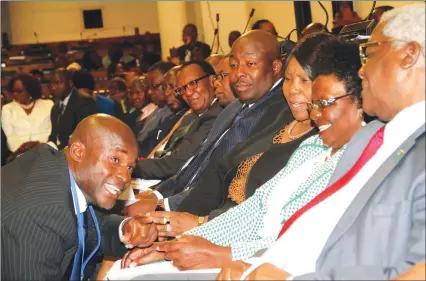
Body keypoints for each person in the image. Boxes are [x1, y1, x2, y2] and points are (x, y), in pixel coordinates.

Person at [120, 34, 365, 272]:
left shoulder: (354, 156)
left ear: (357, 96)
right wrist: (172, 245)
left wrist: (220, 251)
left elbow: (300, 239)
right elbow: (253, 210)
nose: (294, 91)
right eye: (289, 80)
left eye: (324, 100)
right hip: (232, 243)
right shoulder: (308, 147)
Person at [217, 4, 425, 280]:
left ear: (408, 55)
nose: (362, 70)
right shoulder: (370, 138)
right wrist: (257, 266)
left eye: (370, 53)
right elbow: (319, 226)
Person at [172, 34, 332, 226]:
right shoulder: (278, 114)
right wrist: (177, 218)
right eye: (288, 79)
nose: (293, 90)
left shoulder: (322, 141)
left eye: (304, 80)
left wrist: (199, 224)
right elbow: (221, 170)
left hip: (234, 233)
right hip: (213, 220)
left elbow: (265, 211)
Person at [133, 30, 289, 214]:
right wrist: (158, 195)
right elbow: (197, 161)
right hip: (182, 201)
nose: (239, 73)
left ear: (276, 66)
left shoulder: (279, 112)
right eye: (233, 65)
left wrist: (165, 207)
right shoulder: (234, 106)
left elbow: (225, 181)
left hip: (208, 215)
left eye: (250, 64)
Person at [1, 114, 159, 280]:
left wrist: (125, 229)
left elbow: (83, 224)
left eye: (129, 167)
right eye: (115, 159)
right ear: (78, 151)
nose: (125, 178)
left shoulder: (53, 164)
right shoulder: (42, 212)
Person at [130, 61, 223, 182]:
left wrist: (128, 166)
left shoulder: (216, 115)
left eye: (193, 83)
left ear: (212, 80)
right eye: (182, 89)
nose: (188, 93)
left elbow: (175, 163)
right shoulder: (190, 116)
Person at [2, 74, 54, 161]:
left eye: (19, 91)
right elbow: (9, 137)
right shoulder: (7, 109)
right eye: (13, 91)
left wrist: (39, 147)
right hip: (19, 157)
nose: (15, 94)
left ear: (30, 90)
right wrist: (24, 150)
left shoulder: (48, 105)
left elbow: (51, 131)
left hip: (46, 154)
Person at [48, 68, 98, 150]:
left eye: (58, 83)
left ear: (70, 83)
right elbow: (55, 136)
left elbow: (82, 137)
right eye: (51, 84)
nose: (53, 88)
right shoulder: (56, 107)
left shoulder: (84, 102)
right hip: (58, 155)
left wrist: (56, 151)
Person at [136, 62, 175, 157]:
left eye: (154, 86)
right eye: (148, 87)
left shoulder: (177, 114)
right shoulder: (158, 110)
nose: (149, 92)